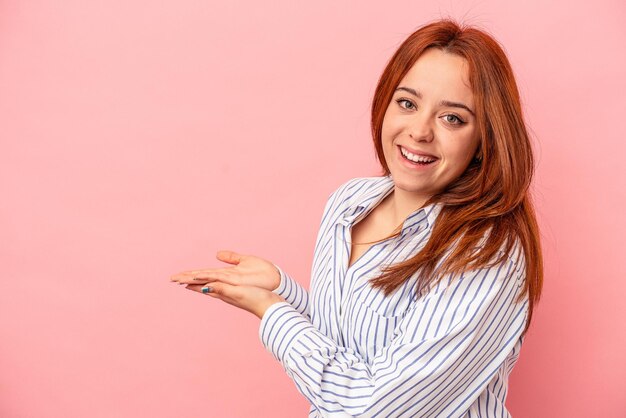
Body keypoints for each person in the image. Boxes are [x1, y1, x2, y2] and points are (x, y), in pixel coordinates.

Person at [170, 18, 543, 418]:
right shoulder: (349, 202)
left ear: (485, 139)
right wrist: (283, 291)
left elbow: (373, 407)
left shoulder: (484, 253)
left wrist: (271, 312)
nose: (419, 131)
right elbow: (350, 348)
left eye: (452, 118)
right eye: (407, 103)